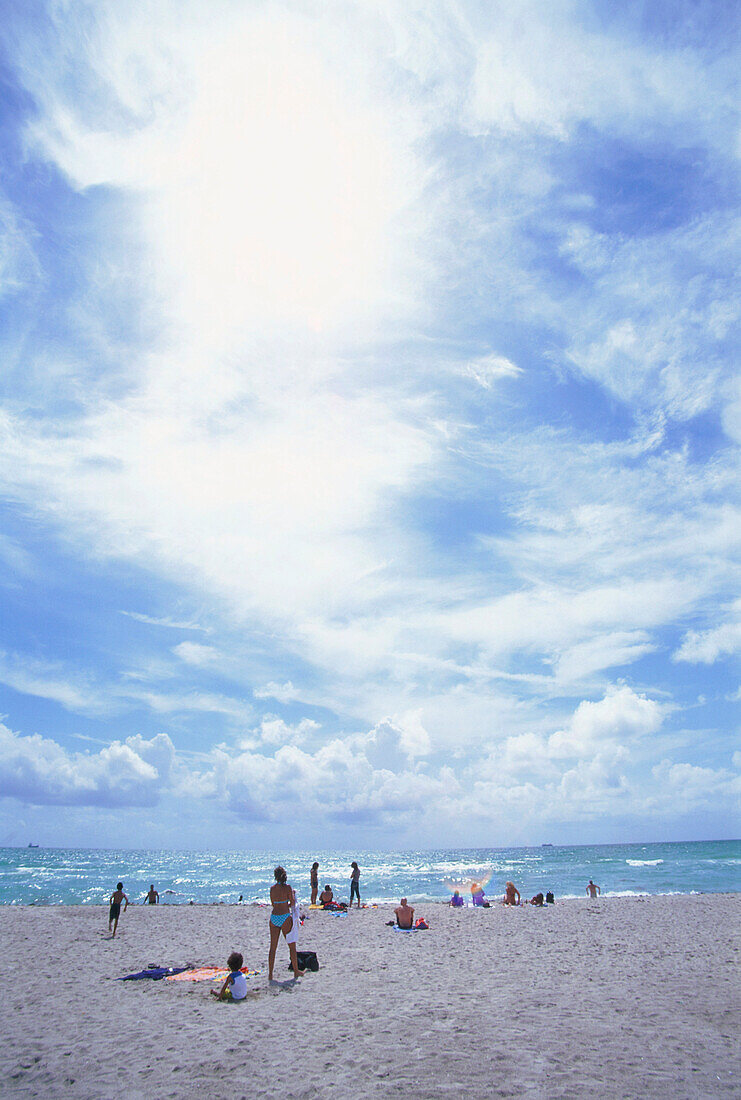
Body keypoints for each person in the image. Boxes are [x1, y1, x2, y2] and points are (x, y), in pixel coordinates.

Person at [268, 866, 304, 981]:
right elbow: (292, 903)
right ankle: (296, 971)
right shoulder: (288, 888)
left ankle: (270, 974)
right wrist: (291, 896)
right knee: (292, 946)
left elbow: (274, 904)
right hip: (284, 917)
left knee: (273, 947)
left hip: (274, 917)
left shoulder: (272, 889)